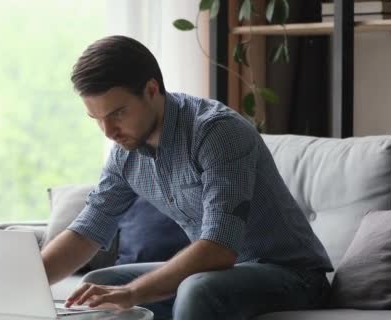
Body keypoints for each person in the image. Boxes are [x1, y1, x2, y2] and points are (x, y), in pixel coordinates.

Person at [41, 35, 333, 320]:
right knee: (96, 285)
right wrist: (25, 281)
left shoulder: (217, 133)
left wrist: (133, 293)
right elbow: (87, 231)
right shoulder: (125, 152)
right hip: (221, 275)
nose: (108, 131)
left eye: (117, 113)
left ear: (152, 90)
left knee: (198, 289)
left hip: (294, 277)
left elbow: (219, 249)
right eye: (97, 119)